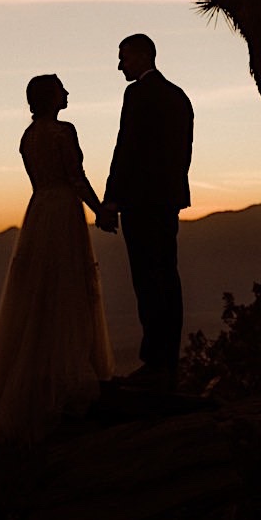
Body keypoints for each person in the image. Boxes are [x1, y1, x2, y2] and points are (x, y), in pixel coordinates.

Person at [0, 74, 113, 461]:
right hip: (62, 213)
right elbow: (75, 178)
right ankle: (67, 382)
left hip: (39, 212)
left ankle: (38, 385)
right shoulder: (64, 131)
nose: (68, 93)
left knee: (37, 297)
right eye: (62, 88)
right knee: (69, 291)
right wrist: (101, 211)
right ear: (50, 97)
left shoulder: (28, 137)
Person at [96, 33, 193, 391]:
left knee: (148, 281)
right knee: (167, 277)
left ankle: (154, 363)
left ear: (141, 56)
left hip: (141, 203)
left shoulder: (137, 94)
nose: (120, 65)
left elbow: (128, 148)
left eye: (123, 57)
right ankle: (167, 361)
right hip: (167, 201)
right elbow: (183, 154)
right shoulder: (179, 97)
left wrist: (112, 200)